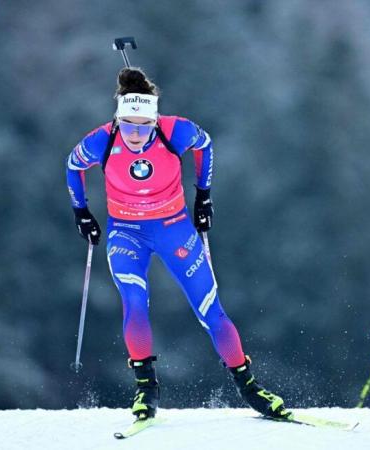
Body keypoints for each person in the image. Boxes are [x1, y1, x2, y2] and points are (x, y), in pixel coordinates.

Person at [65, 67, 289, 421]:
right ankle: (146, 389)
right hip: (127, 233)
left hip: (174, 227)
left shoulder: (174, 131)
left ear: (155, 121)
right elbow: (72, 165)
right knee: (134, 303)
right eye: (128, 126)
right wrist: (82, 212)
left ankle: (250, 388)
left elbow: (205, 145)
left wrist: (204, 196)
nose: (135, 135)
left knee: (210, 309)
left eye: (143, 127)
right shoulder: (102, 139)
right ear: (117, 120)